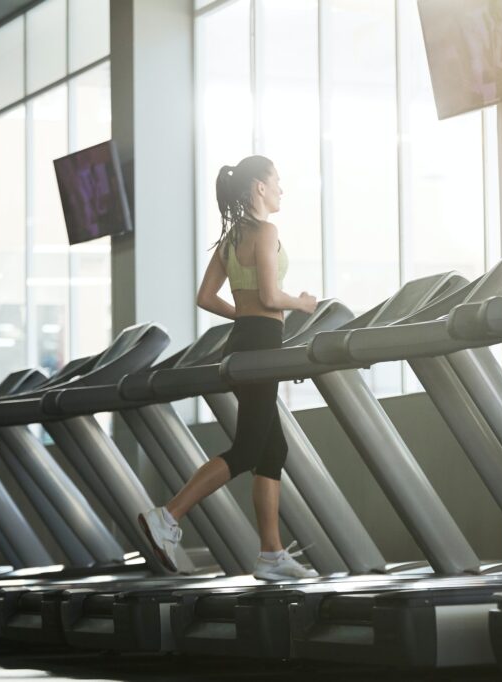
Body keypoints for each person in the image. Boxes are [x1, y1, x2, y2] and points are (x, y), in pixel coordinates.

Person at [138, 155, 318, 580]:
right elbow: (272, 297)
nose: (280, 189)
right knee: (249, 448)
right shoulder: (267, 232)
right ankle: (167, 516)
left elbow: (205, 296)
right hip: (262, 342)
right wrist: (303, 303)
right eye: (277, 181)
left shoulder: (232, 237)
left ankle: (271, 555)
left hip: (243, 341)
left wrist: (243, 315)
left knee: (272, 450)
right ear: (259, 186)